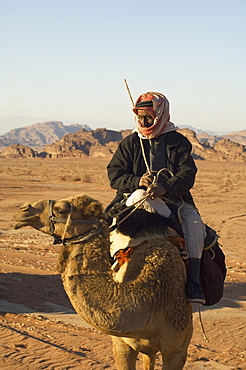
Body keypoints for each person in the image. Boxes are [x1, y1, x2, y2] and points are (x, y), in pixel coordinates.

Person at [106, 91, 217, 304]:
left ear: (160, 114)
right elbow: (115, 174)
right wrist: (137, 181)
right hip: (133, 199)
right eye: (139, 116)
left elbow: (187, 173)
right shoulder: (130, 143)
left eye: (148, 116)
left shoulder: (178, 142)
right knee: (104, 228)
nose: (143, 121)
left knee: (194, 223)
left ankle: (193, 281)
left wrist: (166, 187)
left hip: (174, 200)